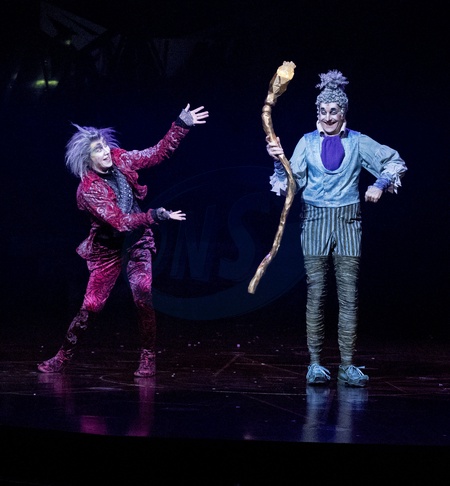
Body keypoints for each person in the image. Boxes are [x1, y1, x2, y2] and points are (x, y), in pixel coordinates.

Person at [37, 103, 209, 377]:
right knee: (91, 307)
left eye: (105, 146)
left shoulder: (120, 159)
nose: (106, 151)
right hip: (108, 250)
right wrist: (155, 215)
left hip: (137, 242)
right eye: (98, 149)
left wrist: (181, 125)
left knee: (143, 296)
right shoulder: (88, 190)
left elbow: (156, 153)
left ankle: (148, 357)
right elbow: (119, 221)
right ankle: (62, 356)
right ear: (87, 158)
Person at [266, 70, 407, 387]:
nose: (328, 117)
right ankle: (315, 364)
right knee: (316, 294)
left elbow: (394, 161)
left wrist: (380, 184)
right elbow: (291, 185)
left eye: (334, 111)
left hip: (347, 223)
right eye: (323, 111)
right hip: (315, 221)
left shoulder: (357, 141)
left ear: (343, 113)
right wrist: (277, 160)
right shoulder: (307, 143)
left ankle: (347, 365)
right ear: (317, 113)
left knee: (348, 296)